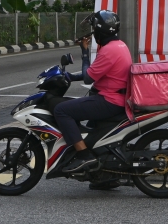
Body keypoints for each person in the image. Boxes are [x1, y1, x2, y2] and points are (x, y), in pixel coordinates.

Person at [54, 10, 132, 175]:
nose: (93, 33)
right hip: (115, 99)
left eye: (94, 29)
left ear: (99, 31)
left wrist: (84, 52)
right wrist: (70, 76)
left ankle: (84, 156)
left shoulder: (109, 50)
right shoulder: (119, 45)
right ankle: (102, 175)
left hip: (109, 101)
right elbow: (97, 72)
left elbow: (89, 78)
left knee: (61, 110)